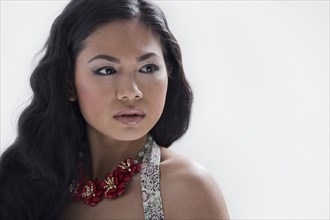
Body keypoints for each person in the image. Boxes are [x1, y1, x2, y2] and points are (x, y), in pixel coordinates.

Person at [0, 0, 230, 219]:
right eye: (107, 70)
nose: (130, 92)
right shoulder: (26, 184)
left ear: (169, 71)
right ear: (68, 83)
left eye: (148, 68)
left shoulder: (186, 188)